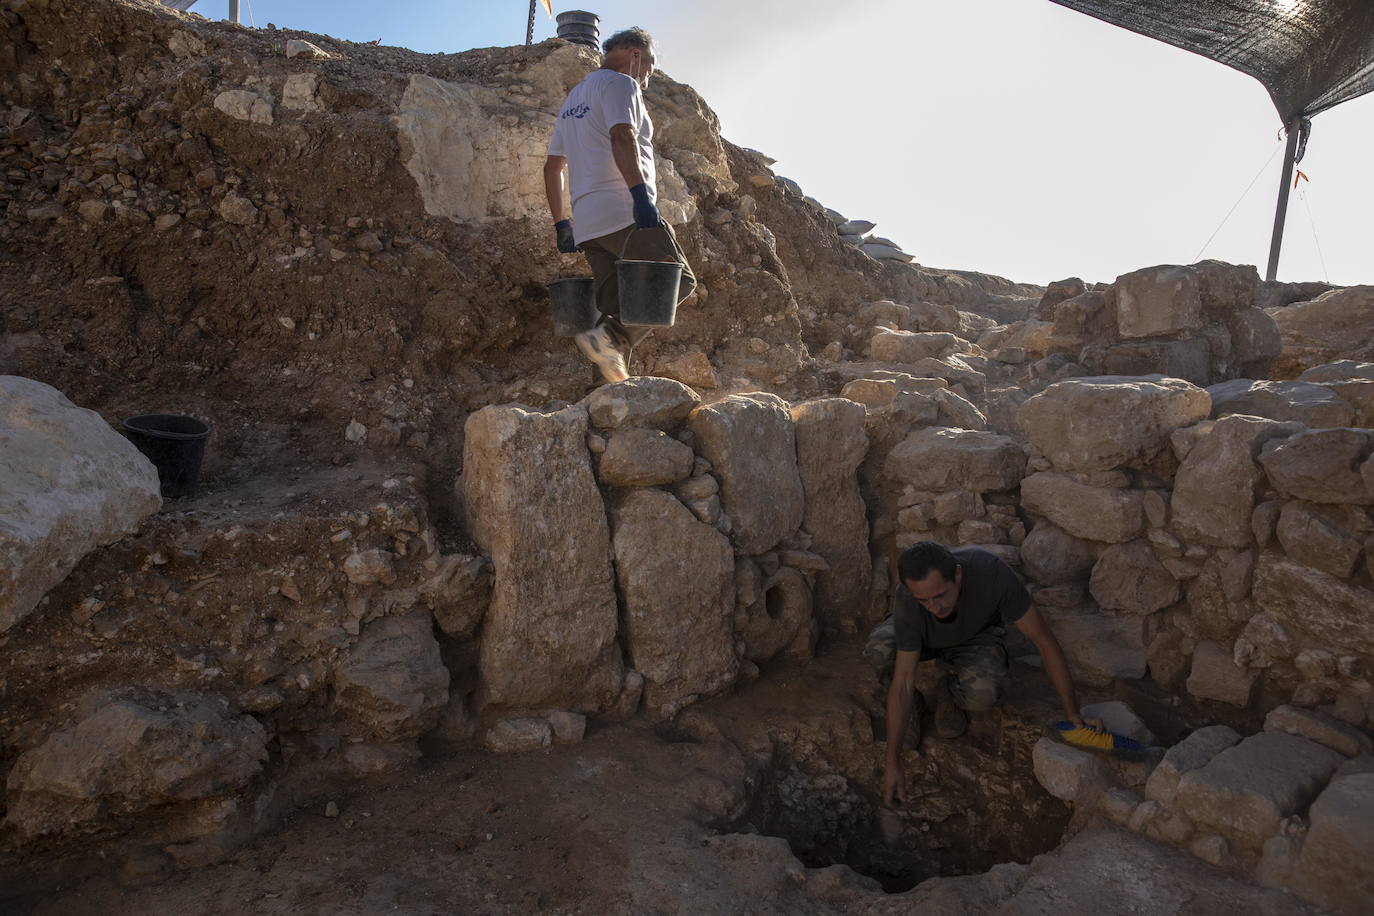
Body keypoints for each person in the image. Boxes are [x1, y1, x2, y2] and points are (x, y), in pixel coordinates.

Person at [872, 540, 1103, 807]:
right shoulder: (909, 599)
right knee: (879, 649)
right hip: (926, 640)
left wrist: (1072, 712)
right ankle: (914, 706)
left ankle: (950, 690)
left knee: (983, 693)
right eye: (924, 600)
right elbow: (902, 681)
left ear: (957, 574)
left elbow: (1043, 640)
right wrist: (893, 762)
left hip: (975, 638)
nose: (934, 608)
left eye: (940, 596)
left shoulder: (990, 573)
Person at [543, 27, 697, 384]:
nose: (648, 79)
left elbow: (553, 167)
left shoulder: (572, 101)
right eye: (651, 69)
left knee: (618, 308)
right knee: (679, 282)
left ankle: (605, 393)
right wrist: (641, 196)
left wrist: (561, 224)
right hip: (624, 211)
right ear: (636, 55)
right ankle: (610, 341)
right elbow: (621, 135)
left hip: (588, 224)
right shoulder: (620, 84)